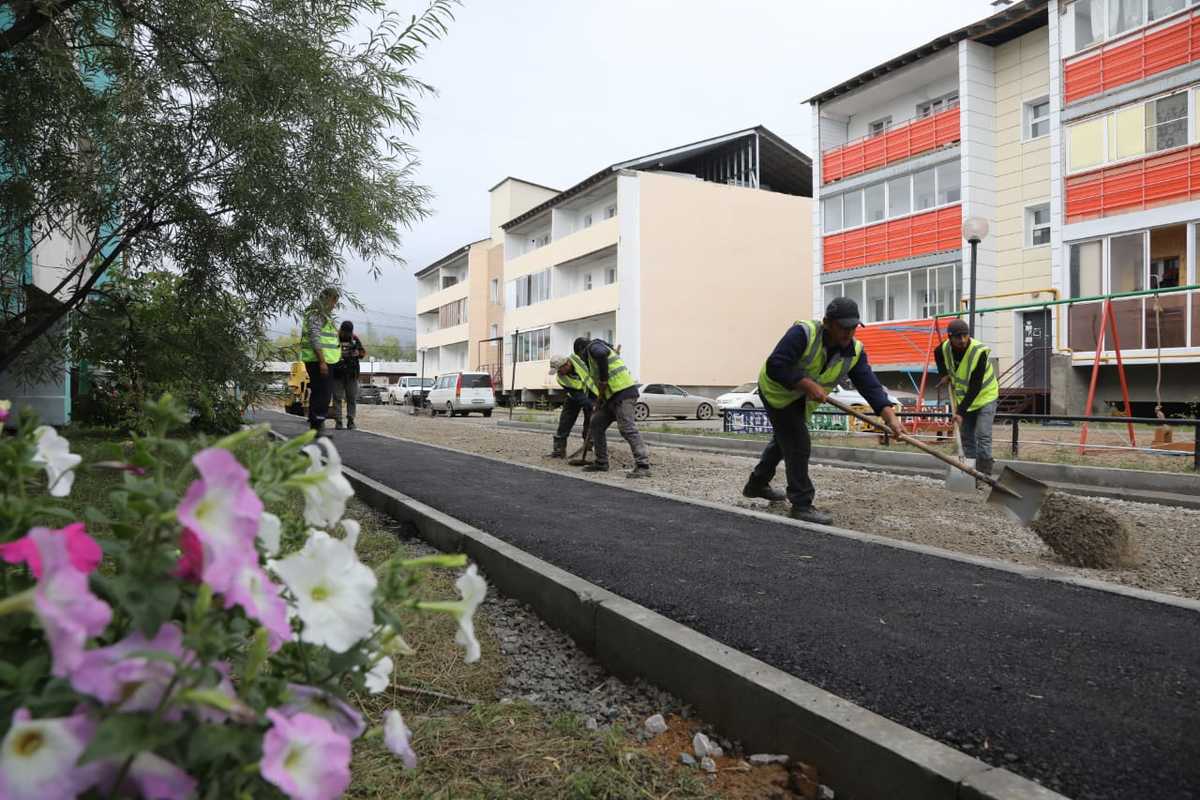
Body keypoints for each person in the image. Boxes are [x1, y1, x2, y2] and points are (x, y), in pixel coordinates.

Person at [746, 297, 903, 524]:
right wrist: (807, 384)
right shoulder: (803, 334)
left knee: (784, 441)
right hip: (777, 393)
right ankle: (801, 504)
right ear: (827, 323)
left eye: (853, 328)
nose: (848, 333)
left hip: (801, 400)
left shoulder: (855, 351)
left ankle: (756, 484)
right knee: (798, 443)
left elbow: (870, 386)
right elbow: (776, 365)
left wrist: (890, 417)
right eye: (843, 327)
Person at [574, 336, 651, 478]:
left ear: (581, 350)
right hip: (611, 397)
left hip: (624, 392)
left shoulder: (593, 347)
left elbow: (602, 355)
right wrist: (601, 399)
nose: (582, 360)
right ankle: (601, 462)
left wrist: (603, 380)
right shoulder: (595, 353)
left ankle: (643, 465)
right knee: (596, 423)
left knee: (627, 428)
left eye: (580, 357)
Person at [934, 318, 999, 481]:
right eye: (958, 337)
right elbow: (937, 353)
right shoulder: (945, 348)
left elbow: (975, 386)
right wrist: (944, 374)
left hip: (985, 396)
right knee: (967, 437)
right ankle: (970, 476)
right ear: (950, 337)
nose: (963, 340)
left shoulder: (979, 351)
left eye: (965, 335)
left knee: (983, 436)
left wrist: (960, 411)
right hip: (965, 399)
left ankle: (985, 476)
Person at [299, 287, 341, 434]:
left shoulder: (319, 314)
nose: (334, 304)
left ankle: (316, 425)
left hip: (322, 360)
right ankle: (318, 426)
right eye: (334, 300)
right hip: (319, 361)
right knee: (323, 394)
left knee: (320, 392)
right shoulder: (317, 314)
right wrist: (322, 361)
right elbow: (315, 337)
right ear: (327, 298)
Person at [546, 352, 596, 459]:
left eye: (559, 370)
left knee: (590, 422)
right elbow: (579, 396)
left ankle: (589, 448)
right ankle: (559, 451)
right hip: (574, 396)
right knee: (565, 422)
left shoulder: (578, 360)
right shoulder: (561, 379)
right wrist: (591, 405)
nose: (558, 373)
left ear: (567, 364)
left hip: (592, 392)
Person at [332, 320, 367, 430]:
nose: (347, 335)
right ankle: (338, 421)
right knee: (337, 398)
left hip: (352, 374)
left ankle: (351, 421)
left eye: (349, 332)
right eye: (345, 332)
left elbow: (363, 353)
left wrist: (357, 353)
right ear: (341, 330)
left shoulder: (354, 338)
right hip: (337, 374)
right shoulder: (334, 339)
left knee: (351, 398)